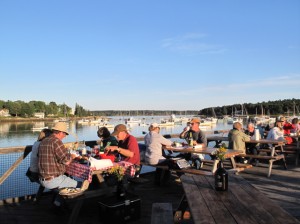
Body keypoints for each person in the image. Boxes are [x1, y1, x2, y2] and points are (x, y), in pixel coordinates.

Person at [38, 122, 89, 192]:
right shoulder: (56, 141)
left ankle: (59, 202)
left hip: (42, 178)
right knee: (82, 185)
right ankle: (75, 201)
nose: (65, 136)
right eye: (65, 133)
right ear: (60, 132)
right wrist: (72, 156)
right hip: (53, 180)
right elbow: (67, 161)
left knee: (68, 179)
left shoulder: (44, 141)